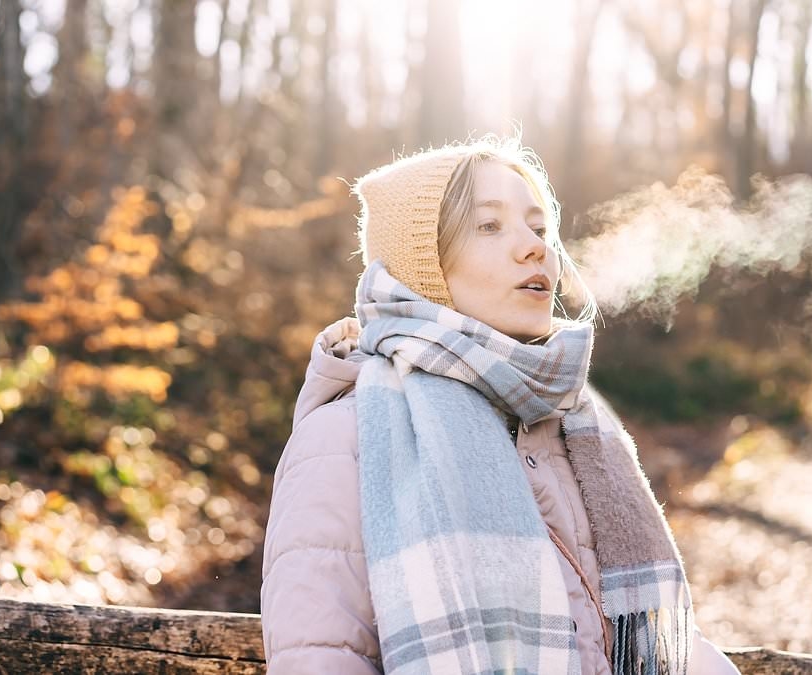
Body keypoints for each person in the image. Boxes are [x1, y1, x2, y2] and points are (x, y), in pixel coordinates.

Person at [260, 136, 739, 674]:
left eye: (539, 228)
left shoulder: (572, 424)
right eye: (489, 225)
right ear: (422, 267)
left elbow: (645, 644)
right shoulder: (344, 435)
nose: (535, 247)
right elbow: (320, 660)